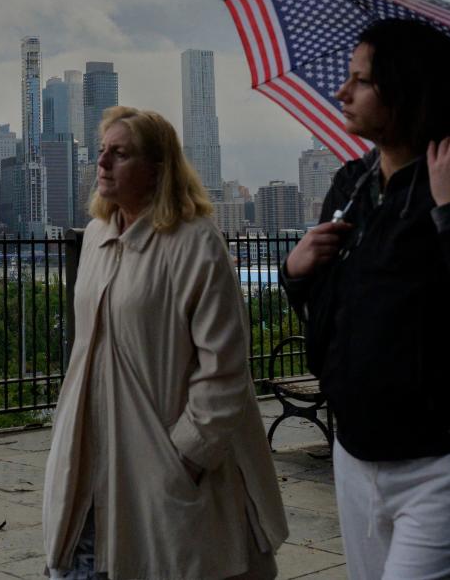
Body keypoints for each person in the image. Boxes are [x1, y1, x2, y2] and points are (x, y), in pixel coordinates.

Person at [281, 18, 450, 579]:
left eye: (360, 80)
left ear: (406, 88)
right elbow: (337, 314)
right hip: (356, 455)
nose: (342, 92)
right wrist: (296, 272)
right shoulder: (352, 184)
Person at [43, 106, 288, 580]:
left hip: (159, 462)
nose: (103, 164)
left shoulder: (196, 243)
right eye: (101, 152)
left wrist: (187, 456)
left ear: (158, 169)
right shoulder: (95, 237)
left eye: (120, 154)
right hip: (88, 455)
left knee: (166, 560)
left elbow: (225, 368)